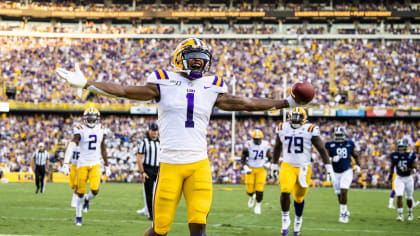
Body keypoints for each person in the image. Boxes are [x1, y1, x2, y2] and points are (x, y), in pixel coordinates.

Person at [56, 38, 307, 236]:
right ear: (179, 58)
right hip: (170, 165)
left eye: (202, 58)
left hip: (199, 164)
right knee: (160, 228)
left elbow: (248, 103)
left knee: (198, 224)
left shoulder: (212, 86)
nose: (198, 62)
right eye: (192, 57)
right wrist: (88, 83)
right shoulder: (162, 81)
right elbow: (124, 91)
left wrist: (286, 101)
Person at [272, 107, 335, 236]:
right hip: (287, 165)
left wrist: (329, 167)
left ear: (304, 119)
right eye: (293, 118)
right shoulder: (283, 128)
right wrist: (273, 164)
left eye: (298, 118)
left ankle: (298, 220)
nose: (295, 121)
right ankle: (285, 219)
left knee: (299, 198)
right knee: (285, 190)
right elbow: (277, 146)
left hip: (304, 168)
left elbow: (321, 149)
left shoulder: (310, 129)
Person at [61, 107, 109, 226]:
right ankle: (78, 216)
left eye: (94, 119)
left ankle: (88, 199)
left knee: (95, 190)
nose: (92, 121)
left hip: (95, 163)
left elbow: (103, 148)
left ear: (97, 119)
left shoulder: (102, 129)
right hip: (82, 164)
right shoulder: (80, 129)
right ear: (85, 118)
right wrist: (66, 162)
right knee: (80, 192)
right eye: (90, 118)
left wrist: (107, 165)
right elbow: (72, 145)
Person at [325, 126, 361, 223]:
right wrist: (332, 159)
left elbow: (356, 155)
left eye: (340, 135)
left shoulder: (349, 144)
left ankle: (343, 214)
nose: (339, 137)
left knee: (344, 191)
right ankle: (344, 209)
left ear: (344, 135)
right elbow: (325, 157)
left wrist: (358, 165)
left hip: (347, 170)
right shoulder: (330, 145)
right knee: (339, 194)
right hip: (335, 172)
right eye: (337, 135)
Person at [241, 129, 272, 215]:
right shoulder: (248, 145)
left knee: (259, 189)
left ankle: (258, 205)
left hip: (261, 169)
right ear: (252, 139)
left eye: (258, 139)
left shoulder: (265, 145)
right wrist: (245, 167)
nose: (257, 141)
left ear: (261, 138)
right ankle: (251, 196)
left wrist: (268, 164)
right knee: (249, 190)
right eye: (255, 139)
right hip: (250, 168)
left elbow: (270, 158)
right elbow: (242, 158)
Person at [388, 139, 417, 221]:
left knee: (409, 197)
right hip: (399, 178)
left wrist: (408, 169)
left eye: (402, 147)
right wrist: (390, 176)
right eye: (399, 147)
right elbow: (392, 166)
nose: (400, 149)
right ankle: (400, 215)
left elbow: (415, 168)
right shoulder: (395, 155)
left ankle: (410, 213)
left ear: (405, 148)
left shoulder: (410, 155)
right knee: (399, 195)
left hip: (408, 178)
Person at [136, 122, 160, 220]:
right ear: (149, 131)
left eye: (155, 131)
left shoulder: (161, 142)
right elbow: (139, 158)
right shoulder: (144, 142)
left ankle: (156, 212)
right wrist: (142, 172)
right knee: (149, 193)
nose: (154, 133)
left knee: (158, 193)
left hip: (158, 169)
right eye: (152, 130)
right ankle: (151, 214)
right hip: (148, 169)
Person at [68, 143, 80, 208]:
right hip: (73, 166)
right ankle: (78, 196)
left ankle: (74, 201)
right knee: (72, 185)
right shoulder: (72, 146)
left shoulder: (84, 147)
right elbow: (68, 156)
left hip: (80, 167)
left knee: (76, 185)